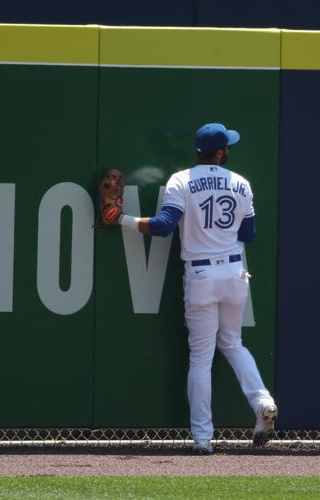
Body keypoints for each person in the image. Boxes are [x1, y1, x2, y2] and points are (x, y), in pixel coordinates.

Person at [115, 123, 277, 454]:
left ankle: (203, 438)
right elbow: (249, 235)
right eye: (227, 146)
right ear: (219, 152)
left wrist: (119, 219)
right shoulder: (242, 184)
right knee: (233, 343)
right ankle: (263, 402)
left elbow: (162, 228)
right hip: (234, 273)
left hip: (201, 276)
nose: (230, 150)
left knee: (201, 359)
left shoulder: (182, 180)